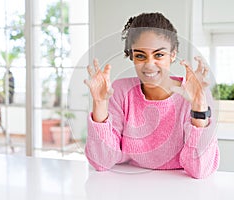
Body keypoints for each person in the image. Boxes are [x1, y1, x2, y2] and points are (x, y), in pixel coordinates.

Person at [84, 12, 219, 178]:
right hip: (128, 183)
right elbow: (101, 162)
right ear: (132, 56)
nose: (149, 64)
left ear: (173, 54)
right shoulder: (120, 91)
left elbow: (200, 170)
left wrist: (198, 106)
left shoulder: (196, 93)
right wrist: (99, 104)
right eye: (140, 55)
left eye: (159, 55)